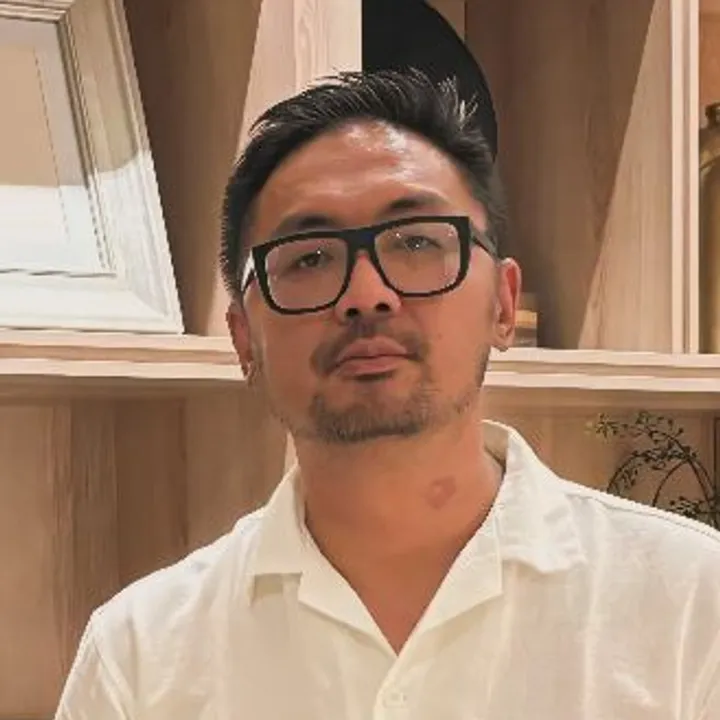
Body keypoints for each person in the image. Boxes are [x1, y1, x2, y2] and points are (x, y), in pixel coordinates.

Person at [55, 69, 719, 719]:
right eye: (310, 257)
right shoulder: (141, 656)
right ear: (244, 339)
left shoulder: (693, 606)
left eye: (417, 242)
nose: (366, 293)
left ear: (503, 303)